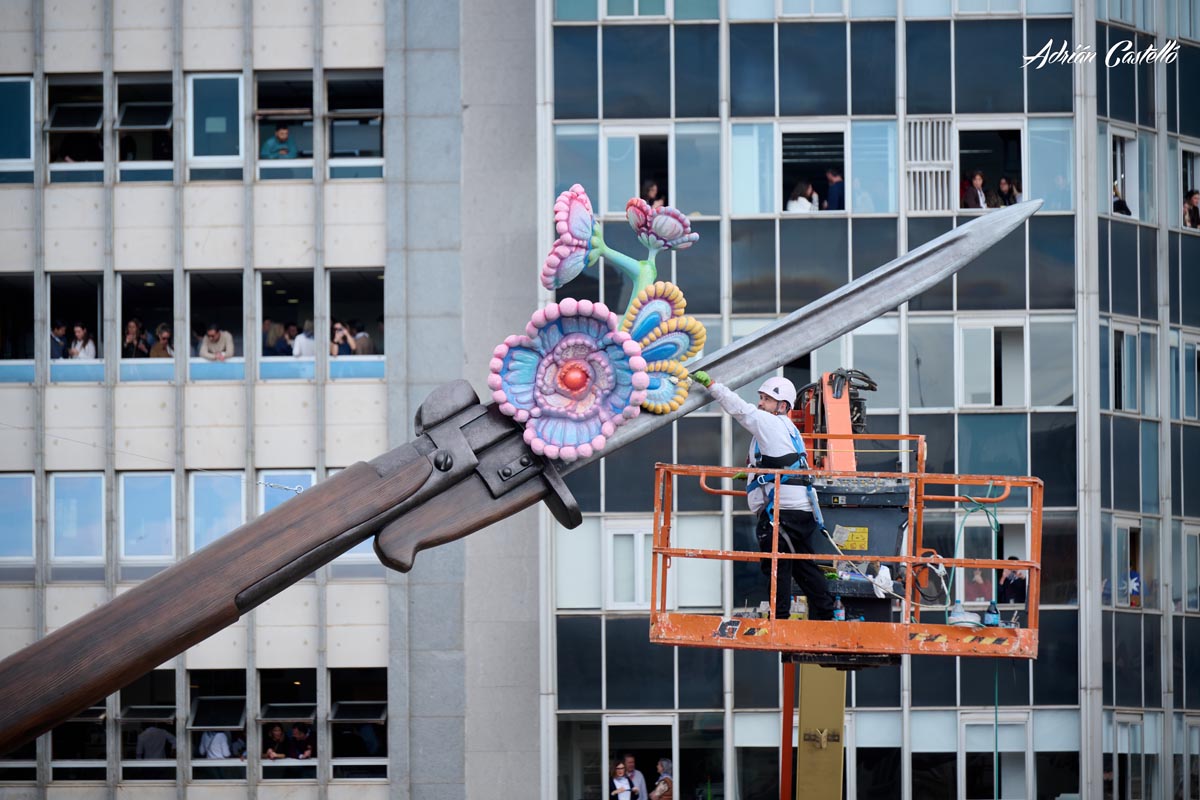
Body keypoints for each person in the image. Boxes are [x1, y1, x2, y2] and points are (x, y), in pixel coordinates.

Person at [691, 371, 836, 621]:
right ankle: (825, 613)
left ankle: (779, 618)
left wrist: (713, 386)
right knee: (802, 567)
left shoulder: (770, 423)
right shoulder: (787, 428)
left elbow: (740, 410)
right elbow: (779, 462)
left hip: (782, 515)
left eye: (766, 399)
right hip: (798, 512)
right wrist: (750, 475)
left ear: (781, 406)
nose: (760, 403)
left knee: (776, 565)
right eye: (760, 398)